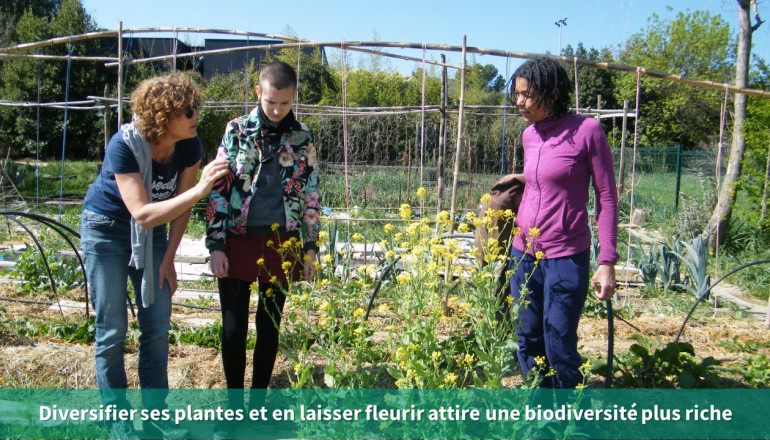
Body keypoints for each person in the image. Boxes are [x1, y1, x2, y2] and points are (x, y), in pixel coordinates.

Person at [81, 72, 229, 439]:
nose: (197, 115)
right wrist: (201, 190)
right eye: (188, 110)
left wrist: (168, 259)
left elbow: (177, 211)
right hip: (105, 230)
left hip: (156, 235)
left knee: (157, 327)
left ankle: (155, 416)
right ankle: (118, 421)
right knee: (112, 331)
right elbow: (142, 213)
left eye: (196, 107)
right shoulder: (124, 145)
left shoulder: (189, 145)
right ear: (163, 116)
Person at [206, 61, 320, 415]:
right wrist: (216, 244)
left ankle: (257, 405)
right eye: (270, 101)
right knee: (233, 328)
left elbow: (311, 194)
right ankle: (233, 407)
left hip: (281, 242)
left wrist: (311, 246)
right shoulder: (236, 130)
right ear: (258, 92)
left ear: (294, 98)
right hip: (238, 241)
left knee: (269, 327)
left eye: (284, 103)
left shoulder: (303, 138)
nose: (276, 110)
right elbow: (219, 189)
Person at [507, 57, 618, 389]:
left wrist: (607, 261)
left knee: (558, 344)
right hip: (523, 253)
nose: (519, 102)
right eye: (517, 94)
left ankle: (571, 420)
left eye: (527, 94)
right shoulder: (529, 135)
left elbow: (607, 196)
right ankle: (539, 414)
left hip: (566, 255)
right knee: (526, 339)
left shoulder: (587, 131)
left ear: (552, 93)